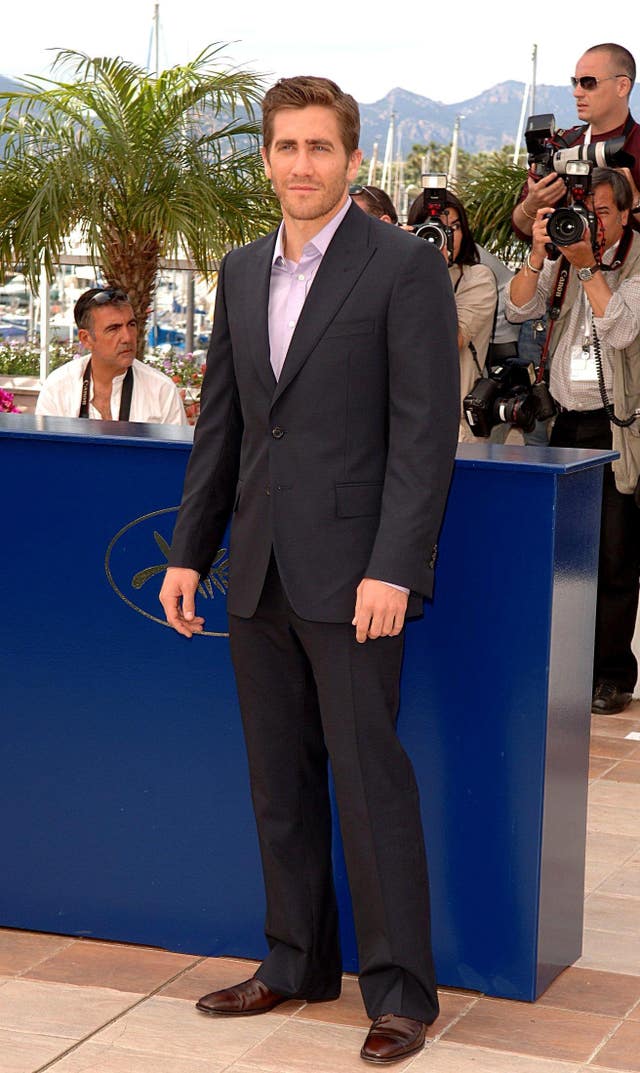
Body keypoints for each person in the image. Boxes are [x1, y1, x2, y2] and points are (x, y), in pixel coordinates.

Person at [159, 75, 460, 1064]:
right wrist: (188, 554)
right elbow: (225, 429)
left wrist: (394, 566)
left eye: (319, 147)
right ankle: (293, 962)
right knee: (277, 783)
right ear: (265, 160)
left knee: (370, 784)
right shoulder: (241, 271)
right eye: (285, 147)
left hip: (355, 580)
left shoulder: (401, 267)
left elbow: (424, 435)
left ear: (352, 158)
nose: (301, 164)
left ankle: (401, 993)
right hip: (256, 574)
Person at [505, 167, 640, 715]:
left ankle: (611, 675)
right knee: (565, 556)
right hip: (563, 424)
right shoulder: (563, 253)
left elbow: (623, 327)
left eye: (604, 212)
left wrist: (587, 266)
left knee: (613, 559)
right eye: (590, 210)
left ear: (628, 214)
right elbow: (517, 308)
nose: (592, 222)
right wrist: (541, 254)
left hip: (617, 429)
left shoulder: (634, 261)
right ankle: (566, 670)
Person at [513, 43, 640, 241]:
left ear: (622, 86)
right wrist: (532, 203)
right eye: (576, 82)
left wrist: (635, 201)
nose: (577, 92)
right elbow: (522, 231)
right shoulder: (561, 145)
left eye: (589, 82)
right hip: (564, 267)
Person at [408, 191, 497, 442]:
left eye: (454, 228)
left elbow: (449, 342)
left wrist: (430, 273)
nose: (447, 238)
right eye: (434, 229)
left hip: (455, 426)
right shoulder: (399, 277)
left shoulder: (477, 278)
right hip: (406, 421)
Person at [36, 287, 187, 424]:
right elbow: (43, 453)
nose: (127, 337)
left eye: (131, 325)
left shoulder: (162, 390)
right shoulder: (57, 388)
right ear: (86, 339)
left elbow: (178, 454)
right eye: (113, 329)